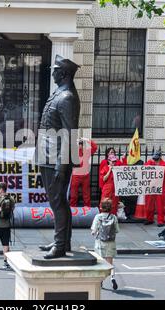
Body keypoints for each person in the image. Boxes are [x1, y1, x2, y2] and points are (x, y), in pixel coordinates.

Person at [35, 54, 81, 259]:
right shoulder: (60, 94)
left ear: (62, 73)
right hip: (48, 156)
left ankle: (60, 245)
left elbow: (70, 135)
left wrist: (61, 167)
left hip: (55, 159)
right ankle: (62, 241)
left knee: (57, 202)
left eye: (55, 69)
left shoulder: (67, 97)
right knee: (59, 201)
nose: (52, 72)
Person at [91, 198, 119, 289]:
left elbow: (94, 230)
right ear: (111, 207)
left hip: (100, 243)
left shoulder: (98, 217)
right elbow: (117, 230)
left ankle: (101, 281)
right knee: (110, 262)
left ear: (101, 207)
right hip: (111, 243)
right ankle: (112, 277)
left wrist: (93, 233)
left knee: (101, 263)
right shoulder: (114, 217)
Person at [144, 150, 165, 227]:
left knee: (160, 205)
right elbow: (143, 171)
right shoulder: (149, 163)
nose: (155, 159)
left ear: (160, 157)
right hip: (151, 187)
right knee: (149, 204)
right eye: (154, 158)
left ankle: (161, 221)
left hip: (160, 187)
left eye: (156, 158)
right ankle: (149, 219)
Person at [70, 138, 98, 208]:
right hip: (76, 176)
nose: (80, 146)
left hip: (85, 175)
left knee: (86, 194)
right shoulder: (74, 152)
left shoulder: (86, 152)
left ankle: (87, 207)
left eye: (81, 144)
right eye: (79, 144)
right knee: (74, 194)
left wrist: (87, 140)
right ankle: (72, 207)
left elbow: (95, 147)